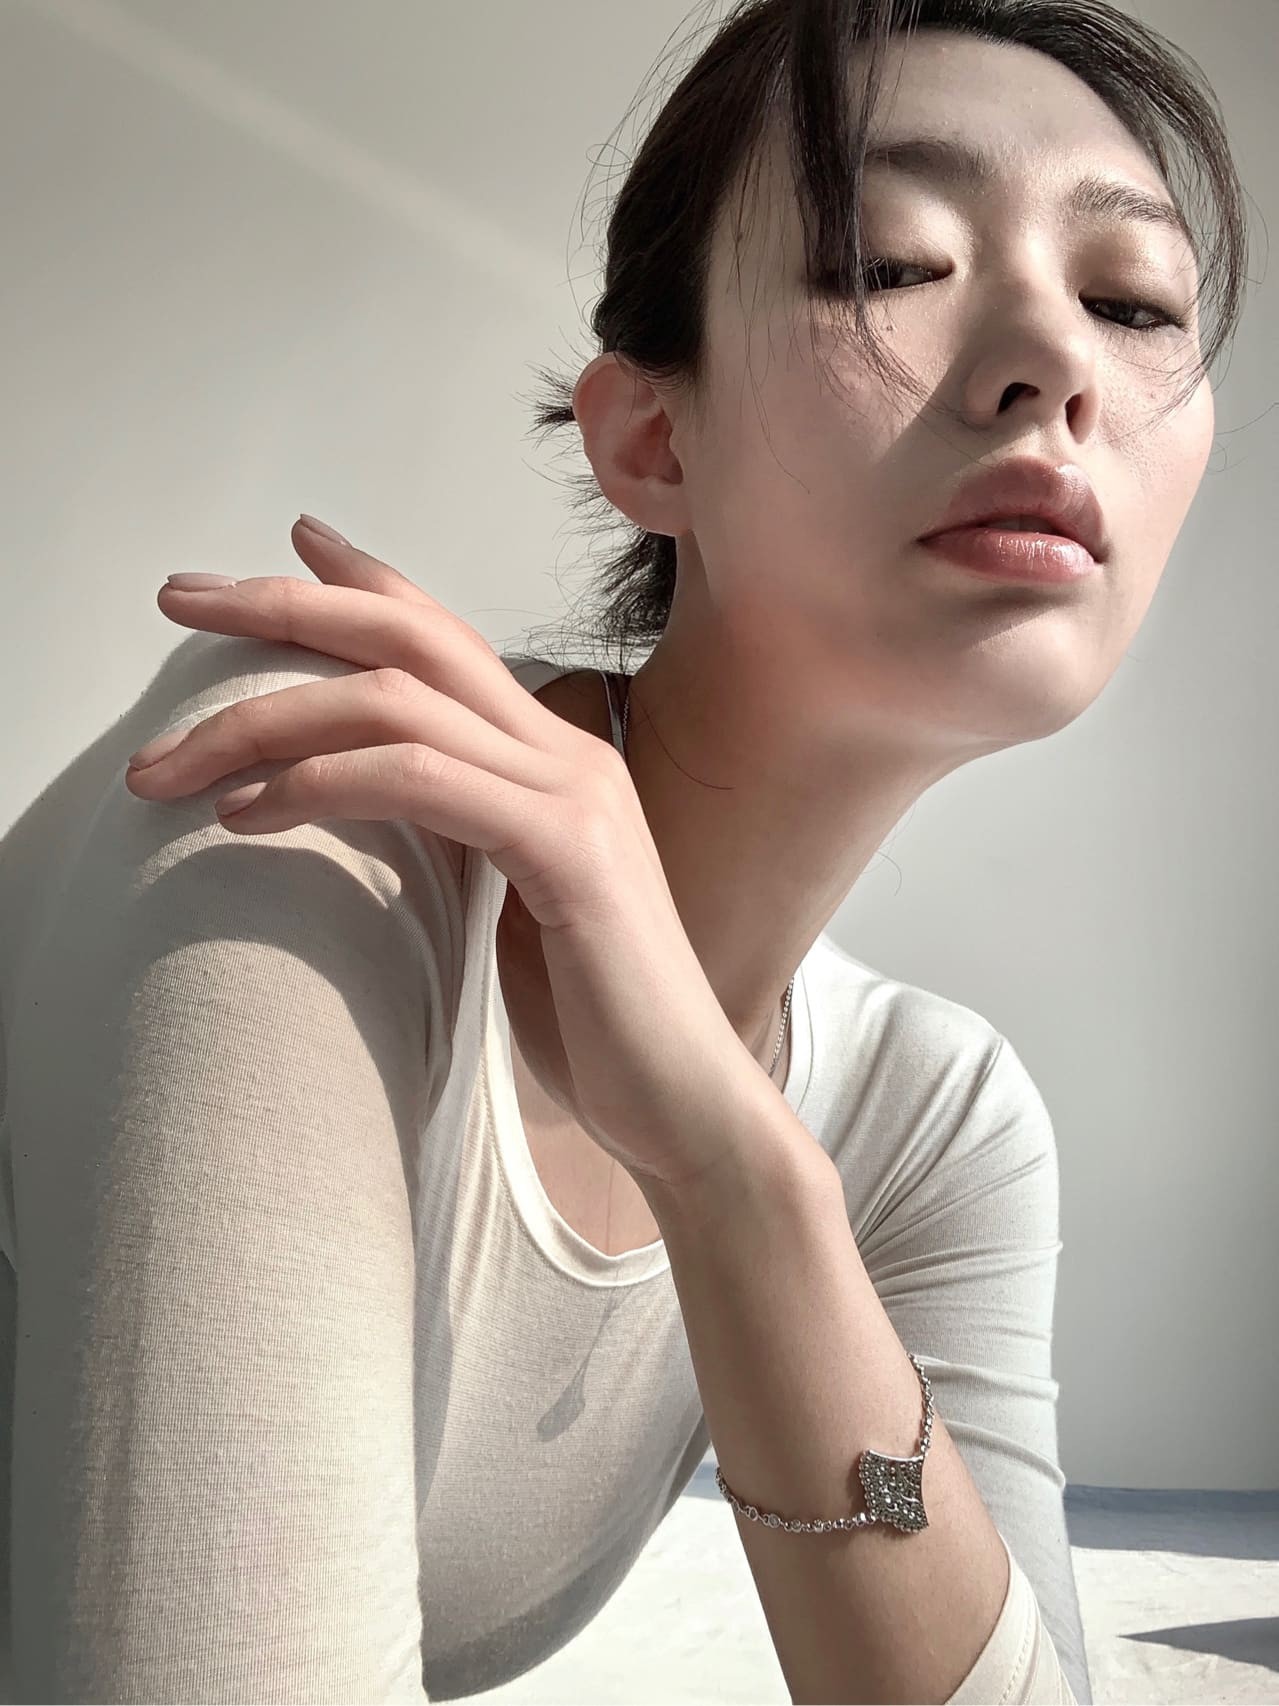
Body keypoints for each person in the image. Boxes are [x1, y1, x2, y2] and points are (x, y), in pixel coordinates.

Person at [0, 0, 1249, 1699]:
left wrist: (743, 1173)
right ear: (654, 440)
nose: (1057, 357)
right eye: (889, 262)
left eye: (1135, 300)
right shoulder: (320, 792)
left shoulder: (931, 1119)